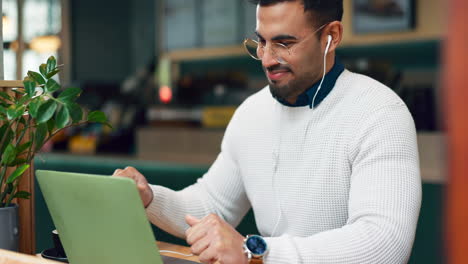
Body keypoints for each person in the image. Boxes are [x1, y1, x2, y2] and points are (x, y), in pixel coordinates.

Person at [113, 0, 421, 263]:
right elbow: (210, 206)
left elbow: (386, 244)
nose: (267, 58)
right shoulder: (252, 112)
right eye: (262, 41)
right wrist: (149, 198)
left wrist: (256, 253)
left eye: (284, 43)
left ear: (331, 35)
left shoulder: (380, 112)